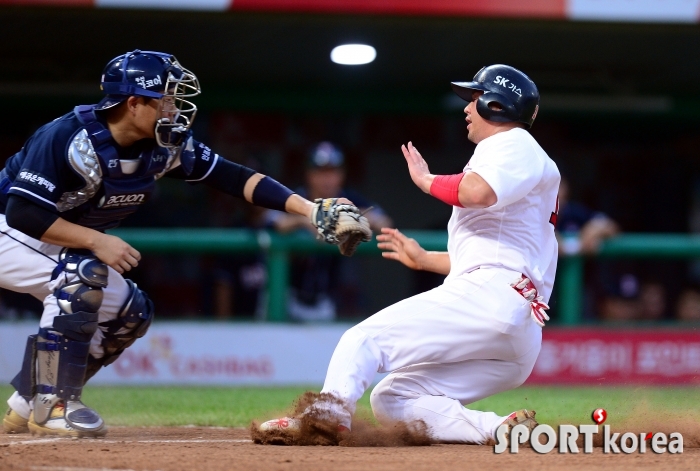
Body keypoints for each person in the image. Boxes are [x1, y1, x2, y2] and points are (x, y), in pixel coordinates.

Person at [0, 50, 370, 438]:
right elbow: (24, 212)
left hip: (55, 241)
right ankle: (53, 404)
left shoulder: (165, 145)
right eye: (167, 99)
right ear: (134, 103)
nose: (175, 109)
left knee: (130, 314)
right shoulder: (66, 138)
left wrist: (309, 211)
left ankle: (26, 402)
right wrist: (95, 241)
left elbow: (234, 177)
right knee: (82, 275)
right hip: (10, 230)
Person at [258, 64, 560, 444]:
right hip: (516, 327)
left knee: (362, 340)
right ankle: (497, 428)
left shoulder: (511, 143)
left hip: (495, 298)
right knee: (393, 397)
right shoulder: (522, 159)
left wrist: (426, 181)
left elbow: (476, 192)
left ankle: (324, 419)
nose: (468, 107)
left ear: (498, 105)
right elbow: (496, 251)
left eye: (476, 97)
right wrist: (425, 259)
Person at [269, 142, 393, 321]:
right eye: (321, 172)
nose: (327, 179)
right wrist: (305, 219)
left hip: (326, 301)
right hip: (284, 296)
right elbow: (272, 221)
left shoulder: (349, 199)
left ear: (341, 175)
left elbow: (385, 222)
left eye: (332, 172)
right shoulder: (296, 197)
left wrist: (355, 218)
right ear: (309, 174)